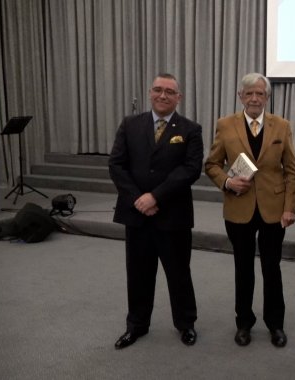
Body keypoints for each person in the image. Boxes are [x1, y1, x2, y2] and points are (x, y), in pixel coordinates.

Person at [109, 73, 203, 349]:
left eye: (169, 92)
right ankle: (136, 325)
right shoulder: (130, 124)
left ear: (179, 97)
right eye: (158, 90)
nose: (163, 95)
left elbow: (190, 169)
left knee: (179, 273)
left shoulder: (190, 129)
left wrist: (155, 196)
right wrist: (139, 198)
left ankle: (186, 323)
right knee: (138, 273)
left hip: (173, 215)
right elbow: (116, 165)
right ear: (150, 93)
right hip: (136, 215)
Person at [204, 73, 295, 348]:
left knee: (272, 268)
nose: (255, 98)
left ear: (267, 98)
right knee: (243, 268)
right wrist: (227, 181)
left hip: (273, 209)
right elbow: (211, 164)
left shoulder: (281, 126)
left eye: (260, 94)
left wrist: (290, 207)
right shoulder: (225, 124)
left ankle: (275, 324)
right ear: (240, 97)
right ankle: (244, 323)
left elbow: (292, 170)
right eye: (249, 94)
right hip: (238, 208)